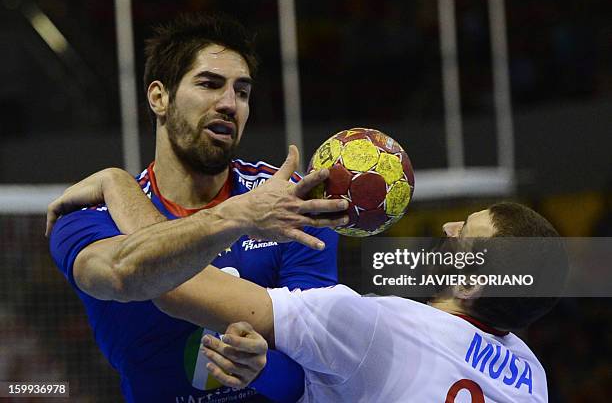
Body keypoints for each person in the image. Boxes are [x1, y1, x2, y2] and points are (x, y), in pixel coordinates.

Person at [49, 159, 564, 402]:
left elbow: (173, 285)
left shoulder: (372, 324)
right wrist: (264, 373)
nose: (449, 227)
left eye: (465, 236)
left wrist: (118, 184)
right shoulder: (531, 376)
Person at [48, 14, 350, 403]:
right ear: (159, 97)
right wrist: (238, 216)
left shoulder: (287, 202)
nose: (229, 104)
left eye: (242, 92)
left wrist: (265, 370)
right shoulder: (87, 216)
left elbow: (321, 364)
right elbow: (126, 272)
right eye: (209, 84)